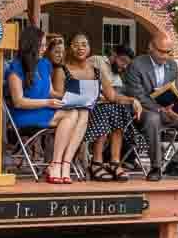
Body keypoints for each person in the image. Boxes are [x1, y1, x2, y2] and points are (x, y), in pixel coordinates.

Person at [53, 32, 143, 183]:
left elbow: (112, 96)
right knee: (105, 110)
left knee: (115, 108)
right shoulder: (62, 70)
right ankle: (97, 162)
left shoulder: (96, 71)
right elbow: (58, 97)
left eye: (84, 45)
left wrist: (132, 100)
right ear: (69, 48)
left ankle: (114, 162)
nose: (80, 48)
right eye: (76, 45)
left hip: (94, 112)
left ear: (89, 48)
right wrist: (81, 96)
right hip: (72, 114)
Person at [6, 26, 88, 184]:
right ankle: (57, 164)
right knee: (71, 115)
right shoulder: (16, 67)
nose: (44, 49)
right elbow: (18, 101)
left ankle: (64, 163)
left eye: (45, 45)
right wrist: (48, 102)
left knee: (82, 112)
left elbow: (50, 91)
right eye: (42, 45)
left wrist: (70, 97)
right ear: (31, 45)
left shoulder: (44, 64)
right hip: (26, 114)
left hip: (45, 109)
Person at [124, 34, 178, 181]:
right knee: (153, 118)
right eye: (161, 51)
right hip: (145, 113)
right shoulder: (136, 65)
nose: (165, 56)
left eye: (168, 52)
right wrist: (159, 109)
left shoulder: (172, 65)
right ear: (151, 47)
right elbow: (137, 95)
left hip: (169, 112)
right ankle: (156, 167)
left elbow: (175, 91)